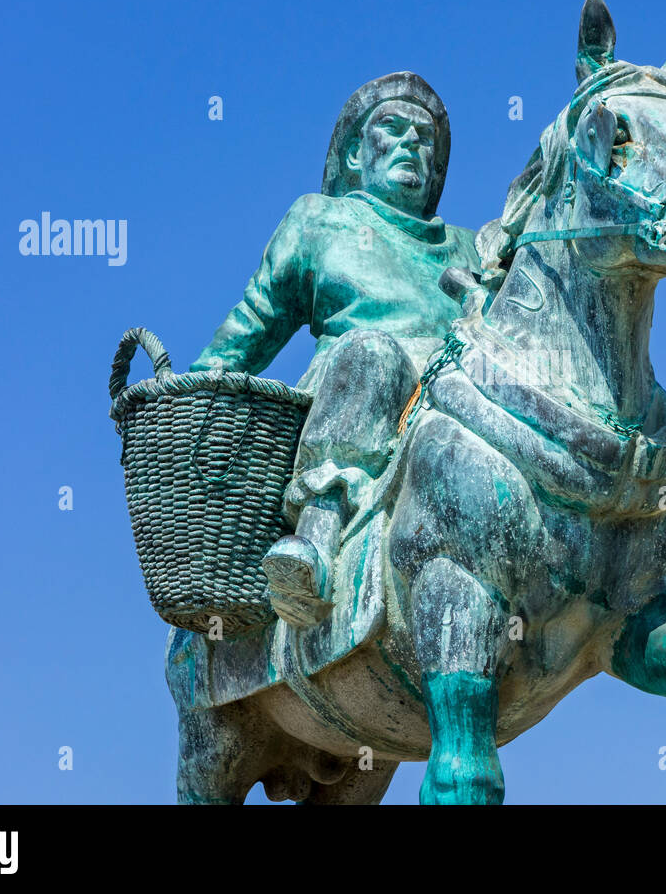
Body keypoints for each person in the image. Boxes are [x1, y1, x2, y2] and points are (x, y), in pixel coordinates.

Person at [189, 72, 480, 628]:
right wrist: (194, 396)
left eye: (424, 137)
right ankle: (317, 542)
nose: (410, 143)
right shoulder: (319, 220)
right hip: (354, 388)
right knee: (373, 354)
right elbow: (254, 323)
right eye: (390, 128)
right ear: (353, 154)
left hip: (448, 400)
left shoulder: (470, 247)